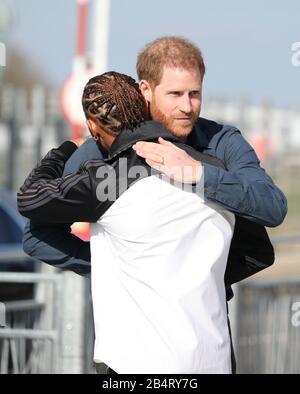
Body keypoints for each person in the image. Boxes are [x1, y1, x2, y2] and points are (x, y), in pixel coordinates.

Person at [20, 36, 286, 370]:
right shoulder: (100, 151)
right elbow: (36, 234)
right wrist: (128, 268)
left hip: (209, 351)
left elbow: (272, 207)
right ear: (145, 90)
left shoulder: (223, 143)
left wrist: (198, 174)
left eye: (195, 93)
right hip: (130, 361)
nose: (187, 106)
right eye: (175, 94)